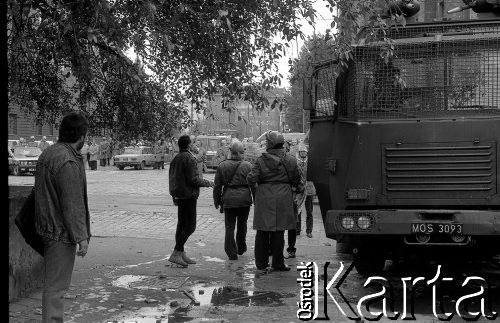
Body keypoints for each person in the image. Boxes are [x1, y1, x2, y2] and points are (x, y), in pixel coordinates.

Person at [34, 111, 91, 323]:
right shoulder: (67, 161)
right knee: (56, 289)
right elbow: (72, 203)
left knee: (53, 287)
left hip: (46, 227)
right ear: (82, 136)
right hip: (59, 232)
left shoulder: (48, 154)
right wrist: (81, 237)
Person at [247, 131, 304, 272]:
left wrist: (258, 189)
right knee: (279, 231)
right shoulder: (290, 160)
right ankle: (278, 263)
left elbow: (251, 179)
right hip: (284, 197)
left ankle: (261, 263)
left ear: (269, 144)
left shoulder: (260, 161)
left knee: (262, 231)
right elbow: (297, 179)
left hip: (265, 197)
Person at [168, 135, 214, 267]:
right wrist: (209, 183)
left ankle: (181, 253)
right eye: (193, 143)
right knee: (190, 226)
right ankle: (176, 252)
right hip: (188, 195)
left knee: (181, 225)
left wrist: (174, 194)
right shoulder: (188, 158)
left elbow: (173, 178)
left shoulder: (177, 157)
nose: (195, 145)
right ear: (188, 145)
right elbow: (193, 179)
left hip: (179, 194)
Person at [213, 141, 253, 260]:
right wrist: (256, 199)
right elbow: (253, 184)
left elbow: (217, 186)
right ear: (242, 152)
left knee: (229, 226)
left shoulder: (222, 165)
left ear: (231, 152)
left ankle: (231, 252)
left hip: (229, 199)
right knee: (242, 225)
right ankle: (241, 247)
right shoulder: (248, 166)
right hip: (244, 199)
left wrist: (217, 201)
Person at [296, 145, 315, 238]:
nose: (303, 153)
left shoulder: (311, 163)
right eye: (301, 152)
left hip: (309, 189)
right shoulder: (296, 163)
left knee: (309, 212)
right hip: (300, 190)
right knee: (298, 210)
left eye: (304, 151)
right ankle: (297, 230)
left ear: (306, 153)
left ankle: (309, 231)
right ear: (299, 153)